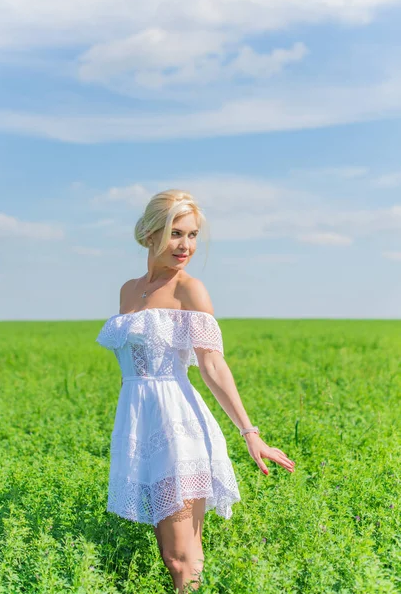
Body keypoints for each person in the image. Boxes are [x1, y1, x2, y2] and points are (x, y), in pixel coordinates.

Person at [96, 189, 295, 593]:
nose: (186, 245)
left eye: (193, 235)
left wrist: (250, 433)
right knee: (173, 555)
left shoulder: (191, 290)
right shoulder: (129, 291)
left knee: (180, 557)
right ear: (150, 234)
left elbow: (212, 365)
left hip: (178, 427)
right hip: (139, 426)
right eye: (176, 233)